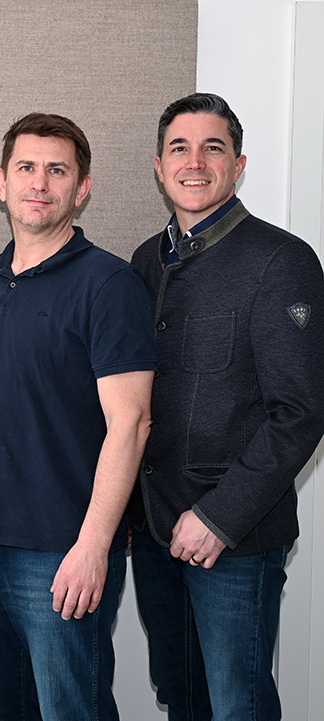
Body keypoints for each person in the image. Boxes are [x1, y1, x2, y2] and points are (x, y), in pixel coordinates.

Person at [0, 113, 157, 721]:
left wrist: (94, 544)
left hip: (63, 550)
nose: (40, 183)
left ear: (81, 187)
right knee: (7, 710)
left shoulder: (109, 283)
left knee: (74, 712)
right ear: (1, 182)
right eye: (27, 168)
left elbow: (133, 422)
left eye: (57, 170)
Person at [129, 92, 324, 721]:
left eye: (212, 147)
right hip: (154, 531)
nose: (194, 161)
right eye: (178, 148)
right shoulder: (143, 263)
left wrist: (218, 517)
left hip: (234, 542)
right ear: (158, 167)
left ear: (238, 165)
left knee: (238, 706)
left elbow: (300, 410)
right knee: (181, 696)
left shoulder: (282, 260)